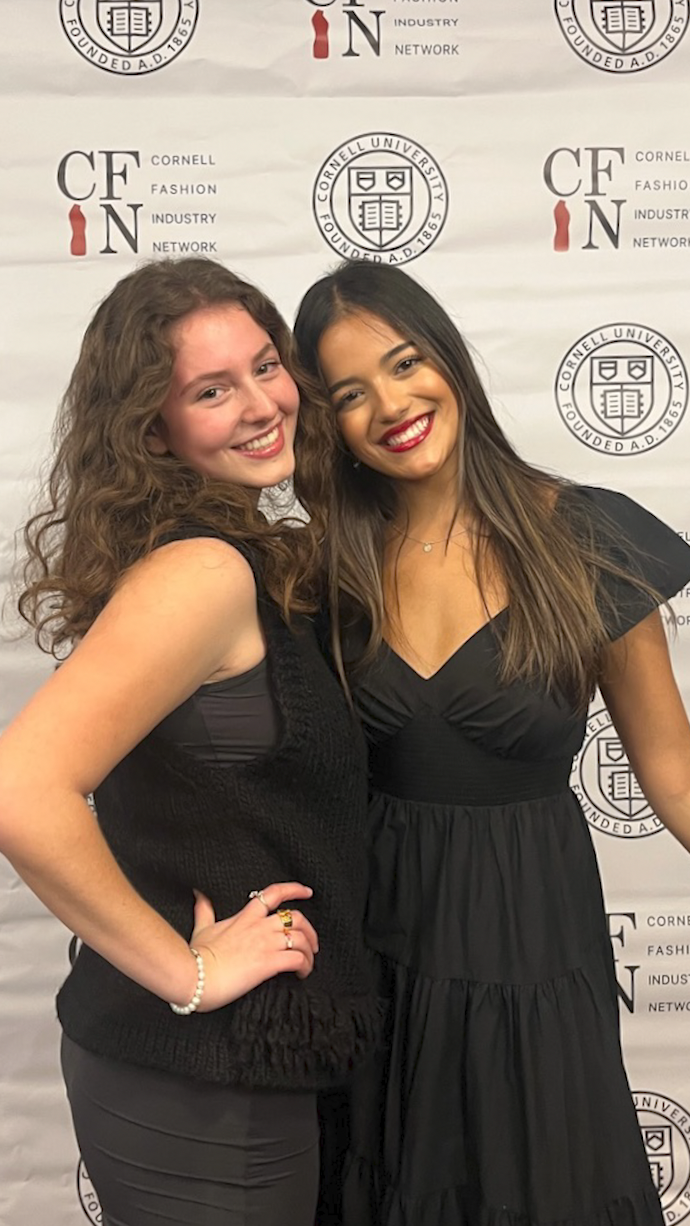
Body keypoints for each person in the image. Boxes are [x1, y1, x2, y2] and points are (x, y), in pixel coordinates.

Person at [293, 259, 690, 1226]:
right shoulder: (324, 568)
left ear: (449, 361)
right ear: (326, 423)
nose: (391, 404)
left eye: (404, 362)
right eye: (350, 394)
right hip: (381, 952)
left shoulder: (586, 535)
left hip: (533, 940)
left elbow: (672, 765)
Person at [0, 257, 380, 1226]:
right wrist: (189, 971)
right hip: (200, 1083)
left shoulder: (244, 551)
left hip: (254, 1063)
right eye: (213, 390)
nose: (263, 404)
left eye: (267, 366)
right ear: (152, 428)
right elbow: (20, 787)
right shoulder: (201, 571)